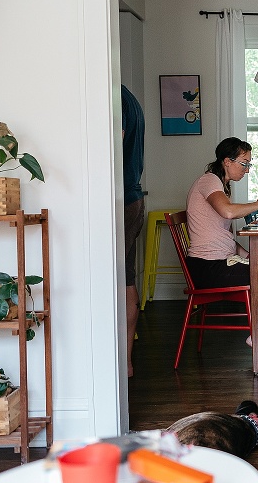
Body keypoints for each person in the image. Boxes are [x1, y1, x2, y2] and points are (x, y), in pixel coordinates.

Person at [185, 137, 258, 363]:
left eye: (249, 164)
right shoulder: (208, 181)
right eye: (244, 163)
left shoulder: (221, 186)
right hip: (208, 267)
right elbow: (227, 212)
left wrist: (247, 254)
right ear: (227, 161)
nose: (247, 169)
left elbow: (222, 234)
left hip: (222, 261)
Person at [122, 84, 145, 378]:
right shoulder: (130, 98)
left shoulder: (116, 98)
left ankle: (120, 362)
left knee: (116, 282)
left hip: (122, 199)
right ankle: (125, 363)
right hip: (132, 197)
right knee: (125, 280)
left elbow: (112, 148)